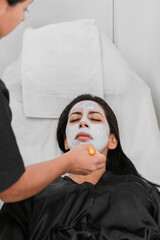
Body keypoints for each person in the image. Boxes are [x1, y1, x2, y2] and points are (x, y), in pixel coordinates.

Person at [0, 94, 160, 240]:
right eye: (75, 120)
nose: (83, 122)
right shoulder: (30, 193)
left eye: (96, 119)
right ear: (65, 141)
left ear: (113, 141)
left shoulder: (144, 191)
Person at [0, 0, 106, 202]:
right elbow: (10, 187)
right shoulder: (36, 201)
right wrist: (67, 162)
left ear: (113, 140)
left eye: (95, 118)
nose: (23, 17)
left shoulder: (139, 193)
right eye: (25, 8)